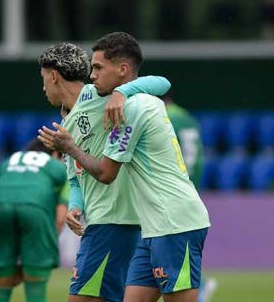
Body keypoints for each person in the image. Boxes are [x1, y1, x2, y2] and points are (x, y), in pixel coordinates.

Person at [38, 32, 210, 302]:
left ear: (122, 69)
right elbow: (76, 175)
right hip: (151, 226)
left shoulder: (130, 107)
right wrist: (76, 202)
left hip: (172, 220)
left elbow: (107, 173)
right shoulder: (86, 114)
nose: (92, 76)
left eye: (97, 68)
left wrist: (121, 92)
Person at [0, 138, 69, 302]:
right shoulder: (59, 167)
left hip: (0, 209)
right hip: (36, 211)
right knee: (36, 290)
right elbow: (61, 216)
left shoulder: (8, 162)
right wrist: (42, 252)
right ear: (55, 153)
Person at [162, 91, 218, 302]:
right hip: (192, 183)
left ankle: (199, 285)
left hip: (174, 186)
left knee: (168, 241)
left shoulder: (166, 118)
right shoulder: (187, 117)